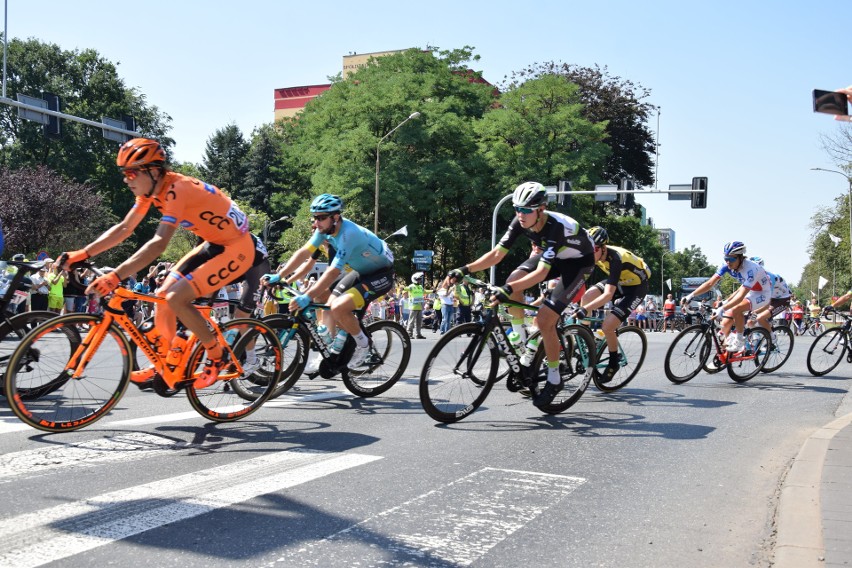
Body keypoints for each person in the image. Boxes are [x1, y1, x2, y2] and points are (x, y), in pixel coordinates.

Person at [59, 138, 255, 389]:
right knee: (162, 294)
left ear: (153, 171)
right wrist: (82, 253)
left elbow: (159, 243)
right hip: (213, 243)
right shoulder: (152, 191)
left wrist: (116, 276)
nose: (125, 179)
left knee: (176, 298)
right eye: (124, 173)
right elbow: (125, 228)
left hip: (237, 249)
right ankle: (167, 362)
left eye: (130, 173)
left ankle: (218, 356)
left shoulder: (177, 189)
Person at [448, 181, 595, 408]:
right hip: (555, 257)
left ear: (541, 209)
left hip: (578, 264)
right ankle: (524, 343)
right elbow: (497, 253)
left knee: (545, 319)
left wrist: (507, 291)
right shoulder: (520, 221)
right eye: (517, 209)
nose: (521, 214)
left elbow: (541, 273)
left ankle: (555, 378)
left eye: (526, 210)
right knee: (513, 280)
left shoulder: (555, 227)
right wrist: (465, 269)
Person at [264, 194, 395, 368]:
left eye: (321, 218)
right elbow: (304, 252)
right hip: (361, 272)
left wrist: (307, 296)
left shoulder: (349, 234)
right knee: (329, 304)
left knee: (339, 307)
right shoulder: (324, 231)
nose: (316, 223)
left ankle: (364, 346)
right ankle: (338, 346)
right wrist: (280, 276)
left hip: (381, 274)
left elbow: (333, 272)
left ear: (335, 217)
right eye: (315, 218)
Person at [577, 227, 651, 382]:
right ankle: (587, 340)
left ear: (603, 248)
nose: (590, 253)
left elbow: (608, 295)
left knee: (607, 326)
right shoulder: (595, 255)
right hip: (620, 281)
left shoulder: (616, 258)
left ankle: (613, 361)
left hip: (636, 288)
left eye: (594, 249)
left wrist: (585, 310)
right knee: (587, 297)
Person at [682, 241, 770, 352]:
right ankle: (725, 349)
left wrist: (722, 308)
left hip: (762, 293)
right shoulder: (726, 266)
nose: (728, 262)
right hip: (750, 291)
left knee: (736, 309)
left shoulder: (751, 269)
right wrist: (691, 295)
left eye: (732, 259)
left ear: (740, 257)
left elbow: (741, 295)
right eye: (726, 258)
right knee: (725, 319)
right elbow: (710, 283)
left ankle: (739, 341)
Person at [748, 256, 792, 337]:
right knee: (750, 321)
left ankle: (772, 337)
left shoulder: (769, 277)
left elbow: (766, 301)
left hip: (782, 299)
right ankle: (758, 338)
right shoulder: (753, 278)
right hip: (771, 298)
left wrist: (755, 312)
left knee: (760, 318)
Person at [406, 272, 429, 339]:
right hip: (413, 307)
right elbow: (405, 289)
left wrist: (433, 291)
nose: (420, 280)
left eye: (420, 279)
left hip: (419, 307)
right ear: (415, 279)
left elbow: (425, 291)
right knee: (411, 321)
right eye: (418, 279)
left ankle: (418, 334)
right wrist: (403, 289)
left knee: (419, 322)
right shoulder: (411, 286)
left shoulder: (420, 287)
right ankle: (409, 334)